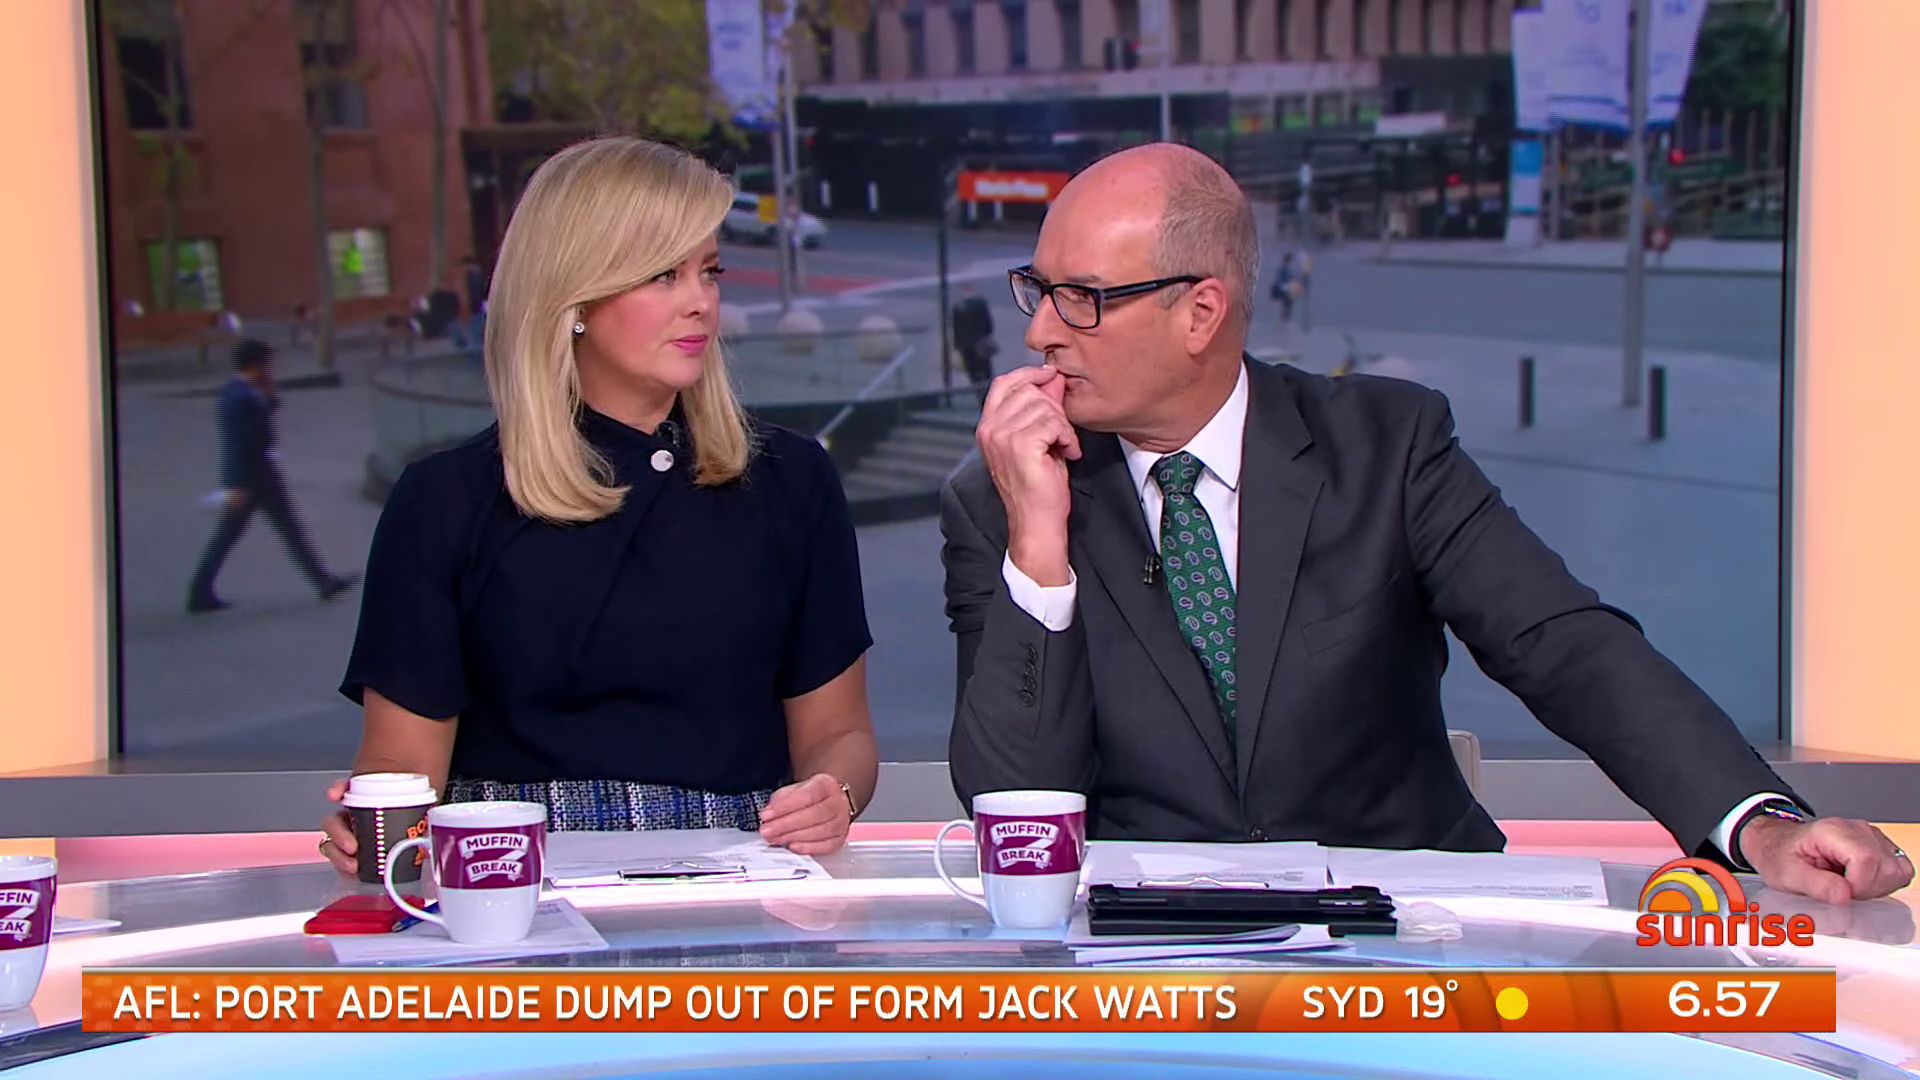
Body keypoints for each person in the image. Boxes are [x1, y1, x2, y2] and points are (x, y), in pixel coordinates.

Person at [940, 143, 1911, 904]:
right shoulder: (1003, 497)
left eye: (1082, 300)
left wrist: (1758, 824)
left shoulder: (1386, 447)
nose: (1039, 332)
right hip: (1148, 960)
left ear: (1201, 313)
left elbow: (1563, 644)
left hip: (1405, 929)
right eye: (1039, 290)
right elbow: (1007, 805)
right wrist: (1039, 548)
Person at [320, 137, 878, 873]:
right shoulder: (443, 503)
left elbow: (840, 736)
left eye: (708, 271)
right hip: (512, 881)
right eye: (663, 274)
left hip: (745, 876)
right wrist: (377, 821)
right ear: (574, 296)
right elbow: (401, 761)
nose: (700, 302)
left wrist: (833, 794)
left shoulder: (792, 481)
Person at [186, 339, 357, 614]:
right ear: (258, 365)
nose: (272, 368)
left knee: (286, 529)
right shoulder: (242, 399)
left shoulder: (236, 390)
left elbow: (261, 416)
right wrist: (237, 484)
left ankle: (323, 581)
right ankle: (199, 592)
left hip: (261, 474)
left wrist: (269, 394)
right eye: (268, 363)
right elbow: (240, 444)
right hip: (252, 478)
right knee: (232, 535)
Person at [951, 284, 997, 405]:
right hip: (980, 344)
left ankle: (980, 396)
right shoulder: (980, 304)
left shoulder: (959, 306)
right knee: (985, 371)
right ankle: (988, 396)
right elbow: (988, 325)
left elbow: (956, 328)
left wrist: (958, 344)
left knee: (973, 372)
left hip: (966, 346)